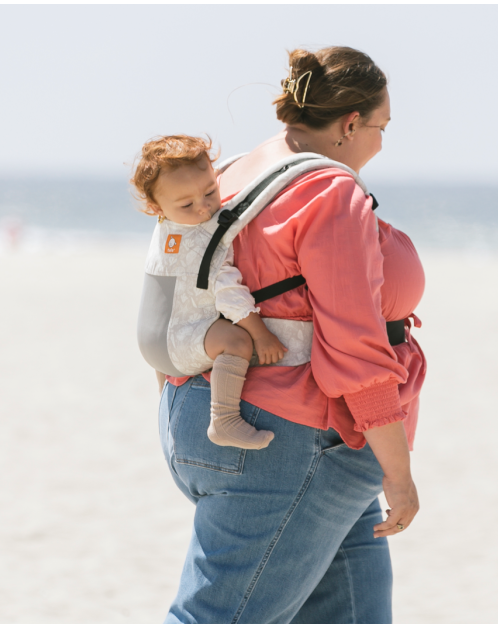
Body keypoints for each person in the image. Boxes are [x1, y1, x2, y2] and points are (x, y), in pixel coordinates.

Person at [157, 46, 427, 623]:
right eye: (381, 127)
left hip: (202, 413)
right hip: (296, 442)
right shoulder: (330, 192)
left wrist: (176, 392)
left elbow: (176, 287)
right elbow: (354, 350)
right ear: (350, 123)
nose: (380, 142)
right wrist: (399, 474)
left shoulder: (226, 175)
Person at [131, 135, 287, 449]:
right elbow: (229, 293)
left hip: (151, 346)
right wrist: (260, 334)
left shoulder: (165, 225)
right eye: (187, 204)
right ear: (153, 206)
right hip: (176, 345)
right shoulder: (208, 237)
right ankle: (225, 419)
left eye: (210, 192)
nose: (204, 208)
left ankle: (166, 403)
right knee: (235, 340)